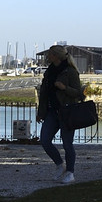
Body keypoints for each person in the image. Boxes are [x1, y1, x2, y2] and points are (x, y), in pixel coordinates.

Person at [36, 45, 85, 184]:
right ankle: (59, 165)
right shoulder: (49, 72)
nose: (47, 56)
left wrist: (64, 88)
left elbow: (79, 94)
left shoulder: (70, 72)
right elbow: (44, 94)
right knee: (45, 140)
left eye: (50, 54)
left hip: (67, 112)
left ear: (56, 56)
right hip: (52, 112)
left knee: (67, 144)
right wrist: (41, 113)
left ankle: (70, 172)